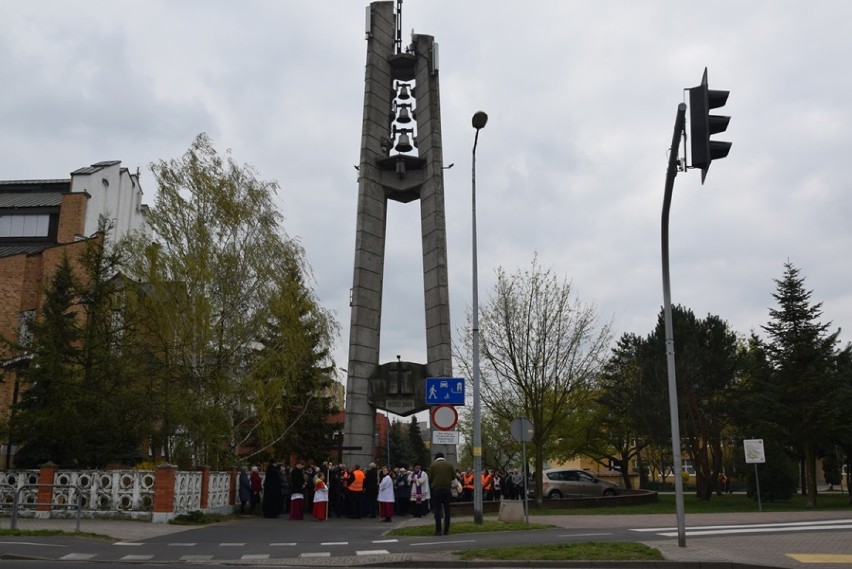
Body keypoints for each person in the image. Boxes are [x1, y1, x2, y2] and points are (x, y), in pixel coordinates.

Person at [429, 452, 455, 535]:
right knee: (447, 510)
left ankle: (438, 530)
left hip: (437, 490)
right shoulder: (449, 465)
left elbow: (430, 478)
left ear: (436, 458)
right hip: (447, 489)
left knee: (437, 510)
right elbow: (454, 476)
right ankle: (446, 530)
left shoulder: (433, 466)